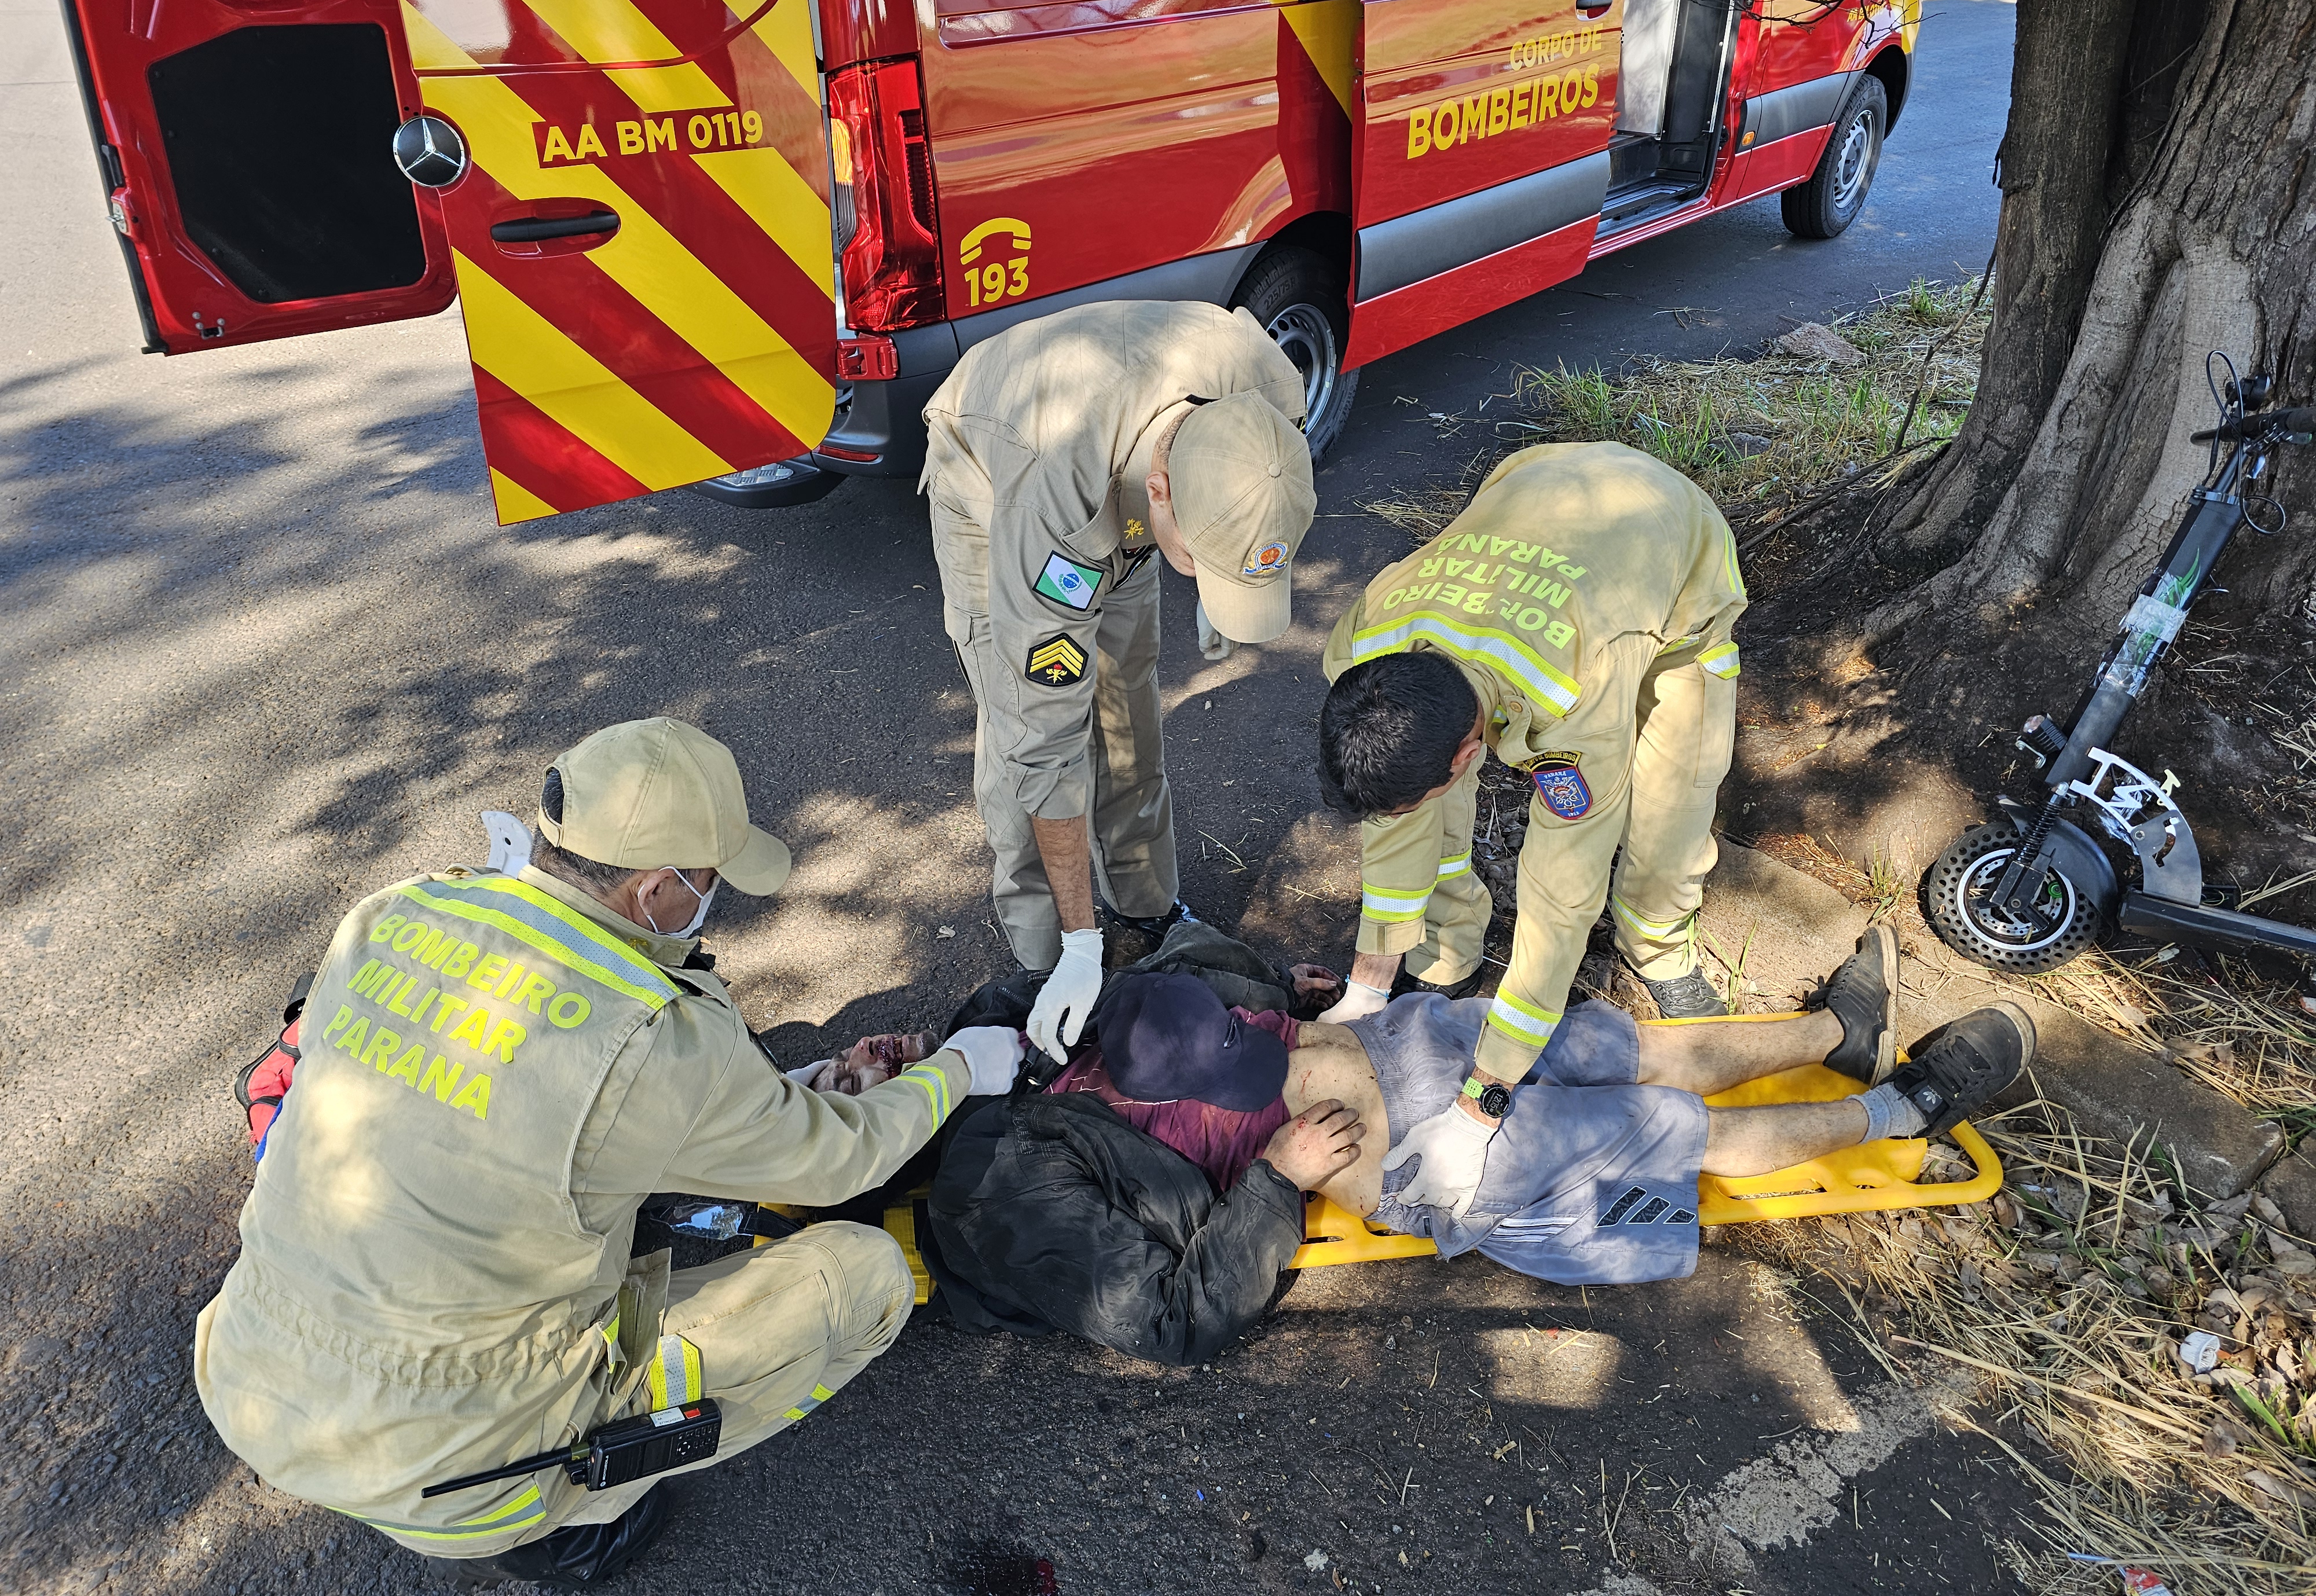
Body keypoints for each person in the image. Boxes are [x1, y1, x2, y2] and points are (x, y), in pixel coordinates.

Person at [193, 718, 1026, 1590]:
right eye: (709, 883)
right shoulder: (656, 1032)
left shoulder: (400, 912)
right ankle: (566, 1513)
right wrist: (957, 1072)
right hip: (454, 1465)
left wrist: (787, 1086)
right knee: (867, 1277)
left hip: (253, 1382)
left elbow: (540, 1114)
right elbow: (837, 1164)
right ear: (658, 892)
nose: (713, 901)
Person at [925, 927, 2035, 1355]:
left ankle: (1837, 1034)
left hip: (1405, 1043)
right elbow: (1174, 1319)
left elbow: (1197, 996)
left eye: (843, 1060)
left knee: (1611, 1047)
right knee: (1650, 1131)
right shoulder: (992, 1181)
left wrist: (1280, 994)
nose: (862, 1059)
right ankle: (1910, 1110)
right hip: (1412, 1153)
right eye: (840, 1091)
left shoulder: (1021, 1022)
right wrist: (1272, 1180)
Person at [1315, 439, 1749, 1216]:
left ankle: (1660, 941)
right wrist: (1365, 988)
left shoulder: (1576, 686)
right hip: (1536, 487)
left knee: (1670, 806)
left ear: (1472, 756)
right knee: (1407, 806)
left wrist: (1483, 1104)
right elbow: (1395, 820)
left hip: (1671, 561)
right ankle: (1446, 948)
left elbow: (1560, 898)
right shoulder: (1367, 640)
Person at [920, 300, 1317, 1065]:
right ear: (1161, 494)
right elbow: (1048, 740)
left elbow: (1264, 502)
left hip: (1133, 476)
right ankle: (1046, 958)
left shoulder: (1270, 403)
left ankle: (1149, 905)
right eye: (1200, 560)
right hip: (992, 468)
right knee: (1022, 735)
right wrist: (1079, 942)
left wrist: (1223, 573)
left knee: (1128, 706)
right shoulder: (1056, 504)